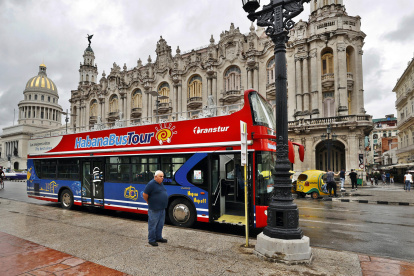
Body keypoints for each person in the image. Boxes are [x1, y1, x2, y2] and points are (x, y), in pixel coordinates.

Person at [143, 170, 168, 246]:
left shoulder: (161, 184)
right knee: (152, 225)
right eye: (161, 176)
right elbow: (145, 194)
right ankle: (151, 239)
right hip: (154, 209)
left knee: (160, 225)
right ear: (155, 177)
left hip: (162, 209)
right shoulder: (151, 184)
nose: (162, 178)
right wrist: (148, 201)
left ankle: (158, 237)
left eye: (163, 176)